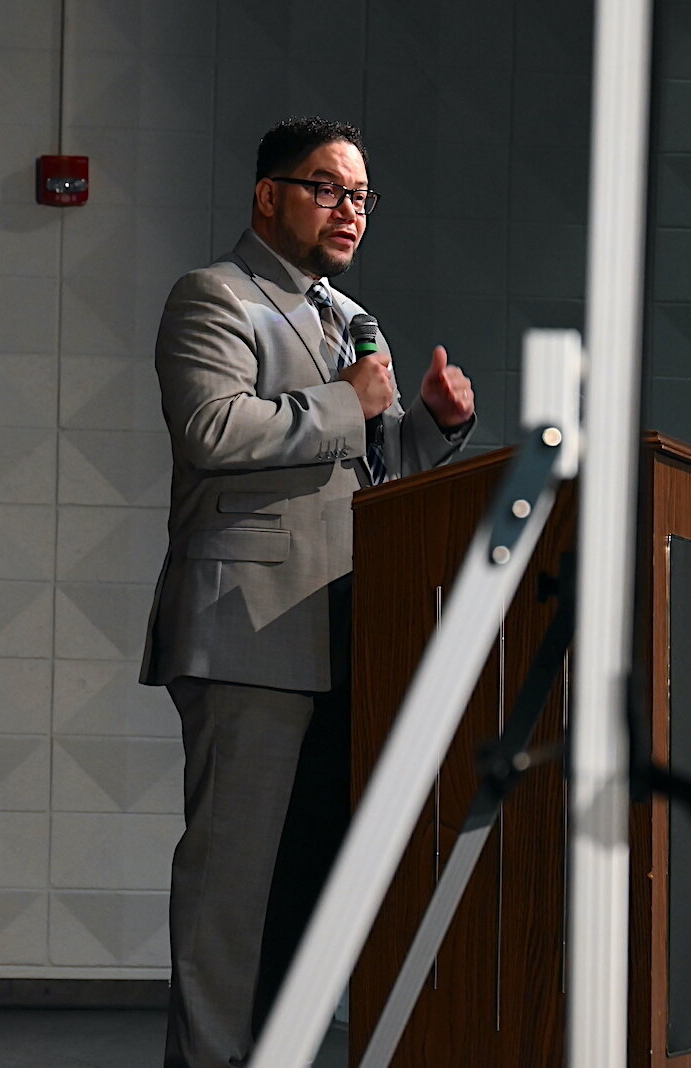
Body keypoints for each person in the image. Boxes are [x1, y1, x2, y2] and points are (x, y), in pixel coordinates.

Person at [140, 117, 476, 1068]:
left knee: (310, 883)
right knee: (233, 887)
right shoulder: (214, 298)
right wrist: (351, 403)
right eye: (327, 188)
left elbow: (369, 471)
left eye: (361, 196)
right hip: (249, 631)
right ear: (268, 195)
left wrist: (433, 429)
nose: (349, 211)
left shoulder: (347, 319)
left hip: (345, 633)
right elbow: (213, 430)